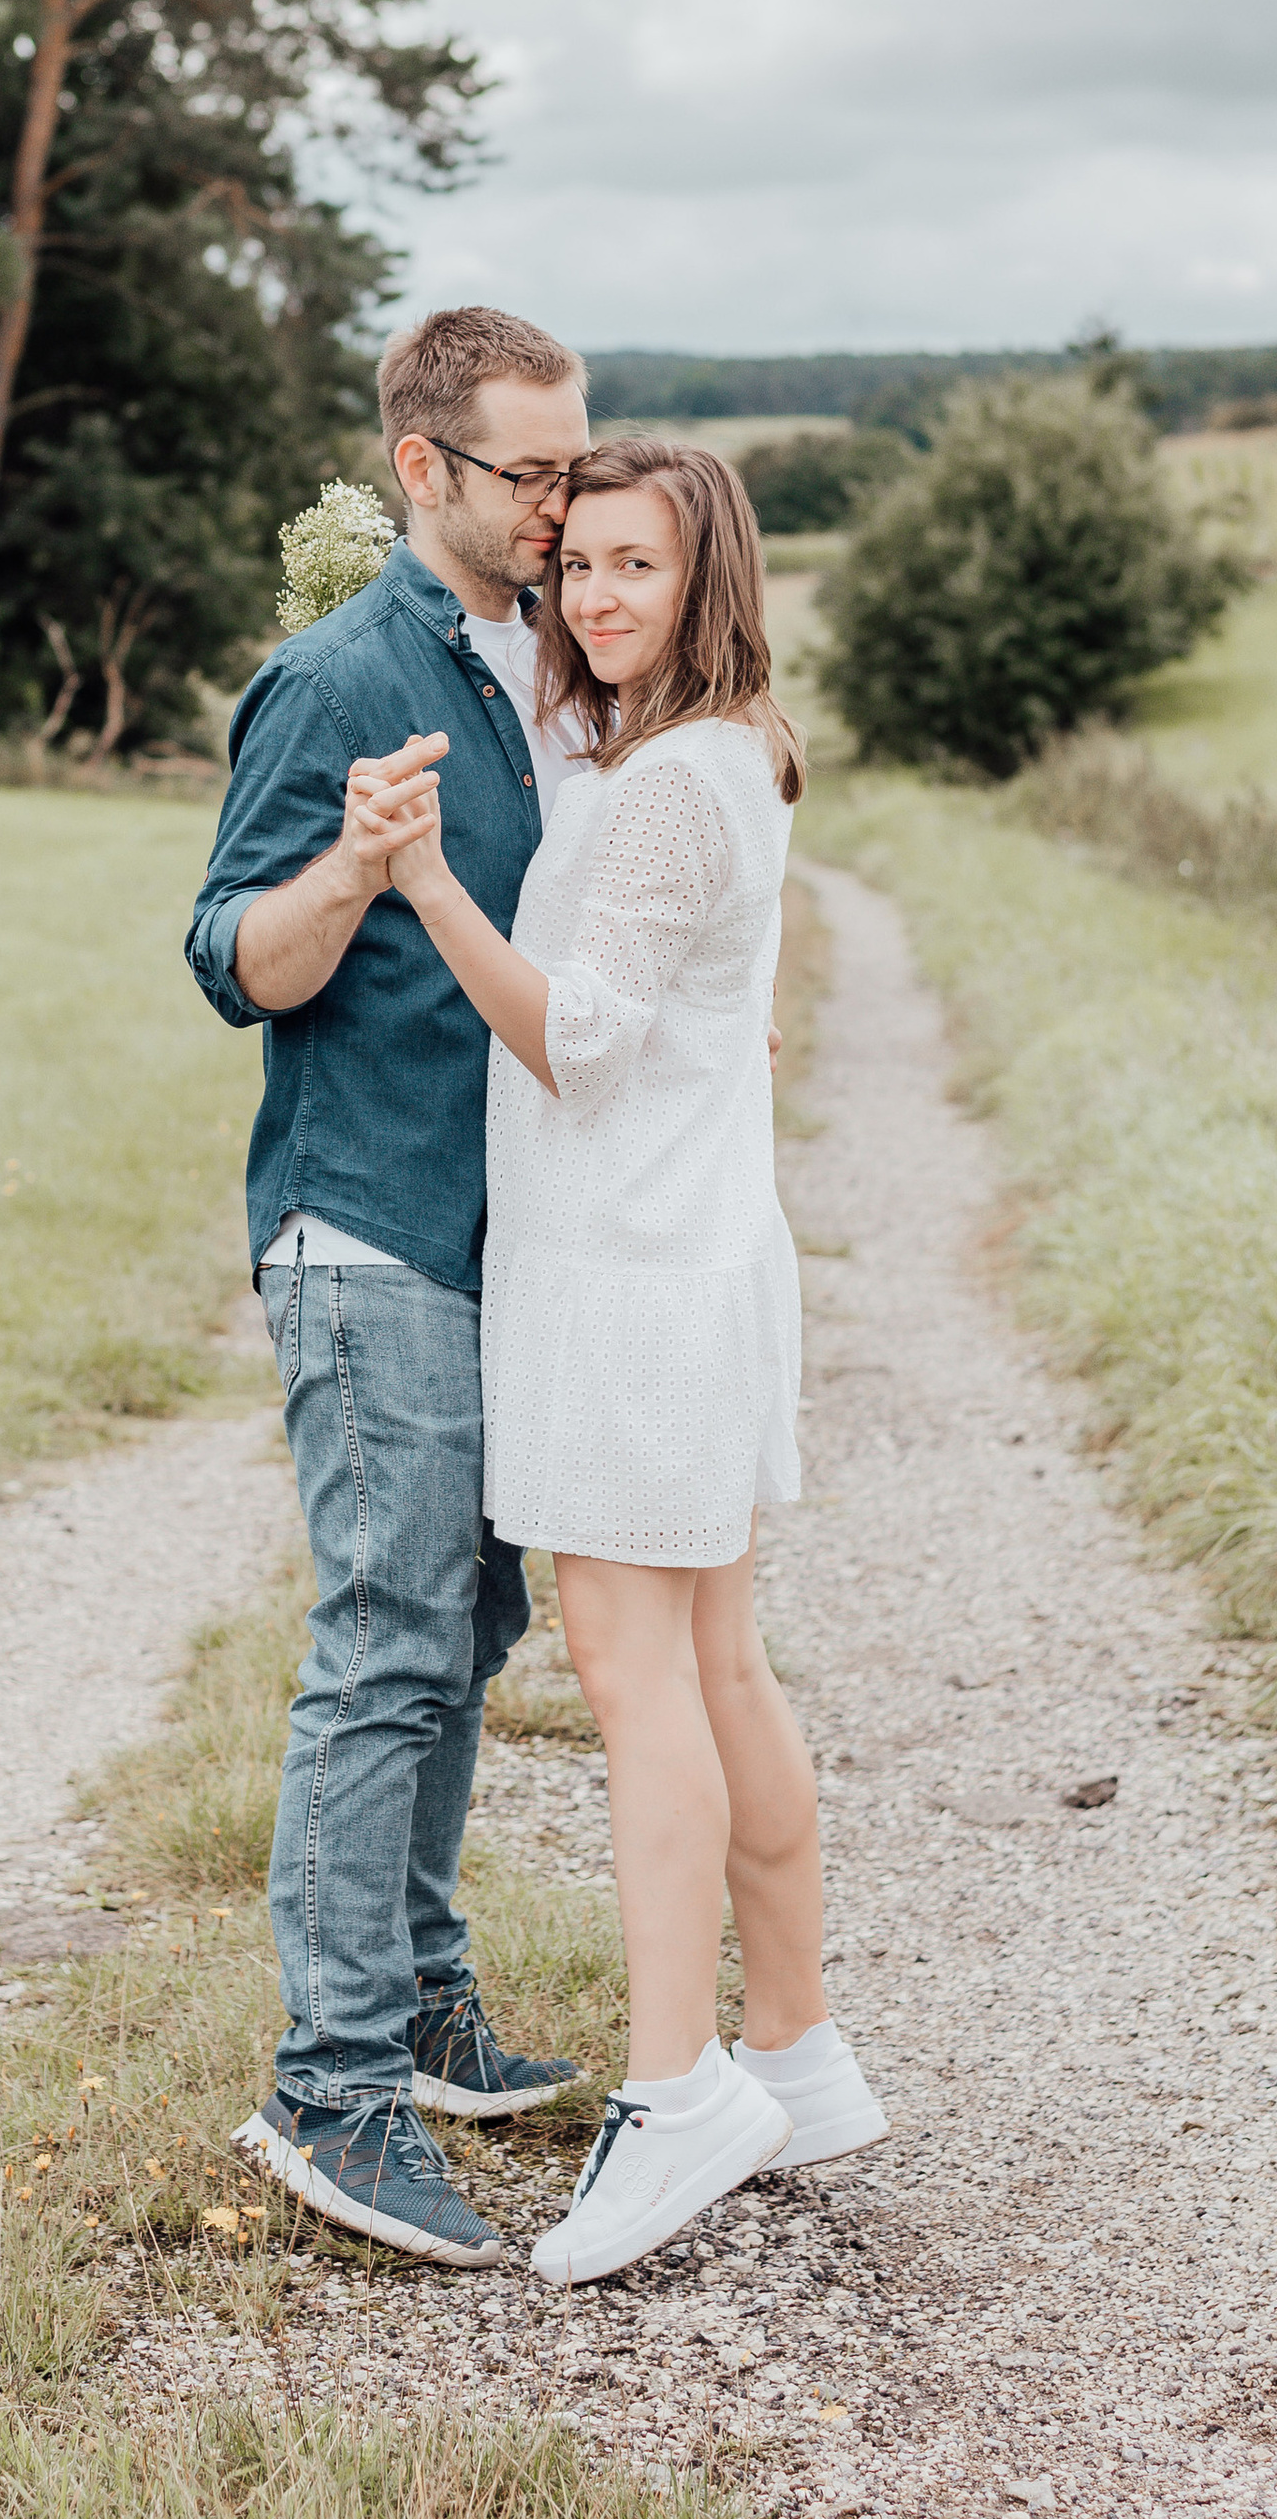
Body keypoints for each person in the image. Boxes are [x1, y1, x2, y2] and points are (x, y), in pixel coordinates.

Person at [358, 435, 888, 2284]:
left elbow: (577, 1034)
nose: (590, 593)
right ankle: (798, 2051)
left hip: (634, 1277)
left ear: (707, 575)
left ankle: (675, 2098)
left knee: (634, 1668)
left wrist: (423, 881)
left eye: (632, 566)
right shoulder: (704, 748)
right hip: (692, 1249)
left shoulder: (670, 782)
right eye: (575, 560)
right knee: (720, 1653)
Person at [185, 305, 595, 2267]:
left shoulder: (547, 659)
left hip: (512, 1235)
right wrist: (352, 871)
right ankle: (328, 2090)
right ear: (422, 471)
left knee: (472, 1617)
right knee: (384, 1638)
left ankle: (422, 2003)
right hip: (368, 1231)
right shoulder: (334, 677)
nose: (560, 504)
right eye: (530, 472)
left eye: (576, 465)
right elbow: (234, 960)